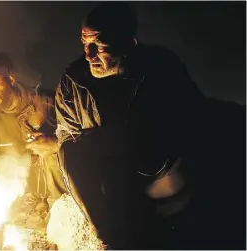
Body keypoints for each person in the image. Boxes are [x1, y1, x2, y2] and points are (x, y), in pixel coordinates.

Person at [53, 2, 206, 249]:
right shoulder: (73, 80)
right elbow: (68, 139)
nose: (89, 54)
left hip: (158, 173)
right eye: (84, 43)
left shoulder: (160, 66)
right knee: (72, 151)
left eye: (99, 45)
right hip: (108, 179)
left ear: (127, 41)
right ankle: (111, 239)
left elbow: (192, 121)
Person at [0, 52, 67, 199]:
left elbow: (84, 139)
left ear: (11, 79)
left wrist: (55, 144)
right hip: (30, 191)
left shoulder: (48, 103)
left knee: (50, 155)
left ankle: (66, 208)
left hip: (65, 181)